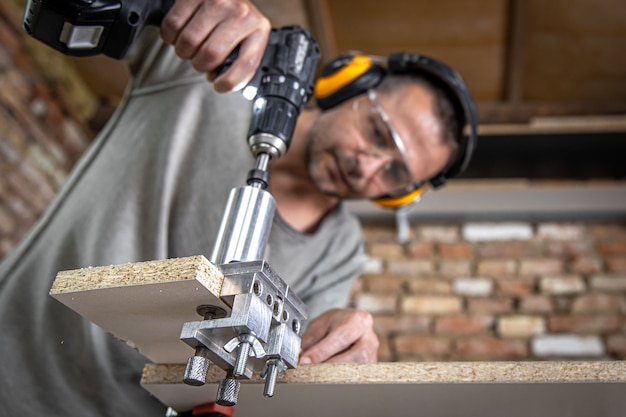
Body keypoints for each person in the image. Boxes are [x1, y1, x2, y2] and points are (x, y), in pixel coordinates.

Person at [0, 0, 476, 415]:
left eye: (394, 174)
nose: (368, 168)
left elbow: (295, 359)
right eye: (377, 133)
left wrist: (338, 347)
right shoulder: (210, 76)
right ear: (347, 83)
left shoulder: (340, 246)